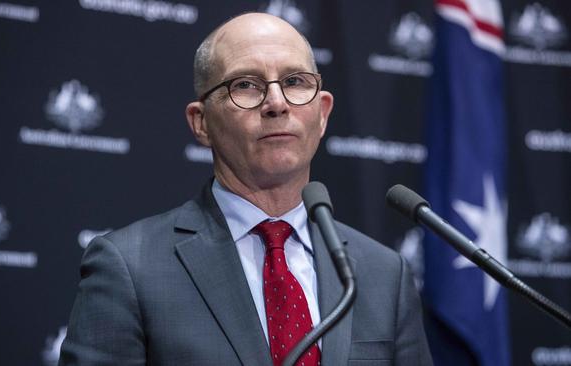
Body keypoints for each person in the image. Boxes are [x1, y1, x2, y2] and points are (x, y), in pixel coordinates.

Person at [59, 12, 432, 366]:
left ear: (322, 114)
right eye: (246, 85)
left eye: (294, 82)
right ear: (201, 122)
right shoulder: (129, 267)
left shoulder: (384, 275)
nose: (276, 103)